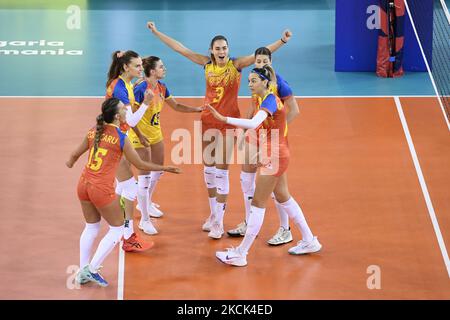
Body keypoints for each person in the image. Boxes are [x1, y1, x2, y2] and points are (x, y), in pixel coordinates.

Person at [147, 21, 292, 239]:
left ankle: (219, 223)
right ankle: (213, 215)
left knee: (222, 171)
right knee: (209, 171)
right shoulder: (206, 64)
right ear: (211, 51)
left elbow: (260, 55)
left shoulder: (236, 65)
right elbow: (180, 48)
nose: (222, 51)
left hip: (228, 122)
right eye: (218, 48)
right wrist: (157, 32)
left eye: (224, 48)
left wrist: (282, 41)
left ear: (228, 50)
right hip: (207, 119)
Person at [207, 65, 321, 267]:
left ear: (264, 82)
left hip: (275, 155)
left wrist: (223, 118)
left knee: (258, 203)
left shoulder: (269, 99)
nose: (249, 84)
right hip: (277, 152)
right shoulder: (261, 98)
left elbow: (253, 123)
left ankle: (241, 253)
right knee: (284, 197)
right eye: (249, 81)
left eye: (253, 81)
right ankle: (310, 240)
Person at [66, 98, 181, 286]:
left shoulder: (93, 131)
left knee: (91, 227)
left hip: (83, 184)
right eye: (123, 109)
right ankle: (92, 270)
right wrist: (166, 168)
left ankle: (82, 269)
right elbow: (140, 164)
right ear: (118, 116)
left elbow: (73, 156)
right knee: (117, 228)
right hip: (100, 188)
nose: (127, 111)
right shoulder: (121, 138)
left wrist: (69, 163)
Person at [227, 47, 301, 247]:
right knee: (246, 175)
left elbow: (294, 110)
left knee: (277, 188)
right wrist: (245, 131)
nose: (260, 65)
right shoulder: (255, 82)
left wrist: (274, 134)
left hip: (272, 139)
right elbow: (253, 110)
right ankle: (249, 221)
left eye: (264, 62)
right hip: (256, 135)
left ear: (271, 62)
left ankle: (285, 229)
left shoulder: (279, 85)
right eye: (257, 62)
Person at [131, 56, 203, 230]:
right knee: (144, 177)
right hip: (139, 137)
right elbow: (131, 118)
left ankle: (145, 203)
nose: (165, 69)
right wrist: (140, 136)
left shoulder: (162, 88)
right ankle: (144, 220)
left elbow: (176, 106)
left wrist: (197, 109)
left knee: (158, 171)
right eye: (162, 67)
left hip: (156, 134)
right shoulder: (141, 89)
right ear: (153, 71)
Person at [105, 50, 159, 242]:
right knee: (131, 188)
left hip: (119, 139)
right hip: (113, 143)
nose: (140, 68)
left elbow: (128, 122)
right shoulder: (120, 87)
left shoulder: (126, 84)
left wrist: (139, 136)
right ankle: (127, 233)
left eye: (140, 65)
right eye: (137, 66)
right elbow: (132, 119)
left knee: (122, 186)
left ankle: (118, 226)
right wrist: (145, 103)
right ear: (126, 66)